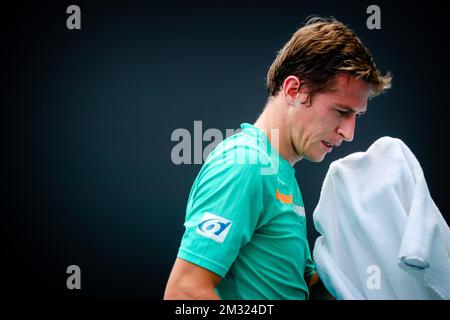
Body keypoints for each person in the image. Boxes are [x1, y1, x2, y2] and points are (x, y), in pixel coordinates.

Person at [164, 17, 391, 300]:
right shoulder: (245, 164)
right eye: (341, 111)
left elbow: (295, 287)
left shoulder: (279, 174)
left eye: (356, 116)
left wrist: (368, 248)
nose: (349, 133)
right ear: (294, 90)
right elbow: (184, 294)